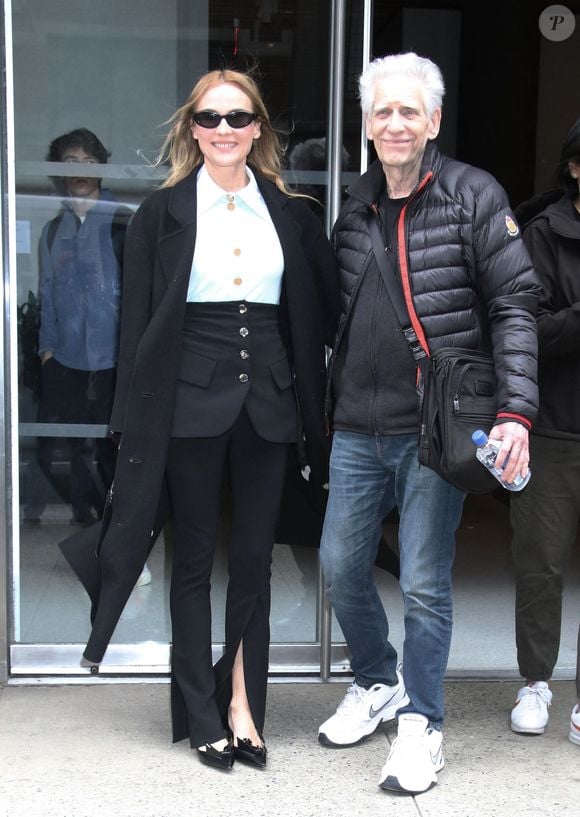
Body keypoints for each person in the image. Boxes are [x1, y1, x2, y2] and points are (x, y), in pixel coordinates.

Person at [73, 69, 338, 771]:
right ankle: (199, 710)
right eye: (211, 117)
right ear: (193, 128)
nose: (225, 130)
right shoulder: (159, 215)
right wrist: (127, 424)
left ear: (258, 130)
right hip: (188, 402)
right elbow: (137, 328)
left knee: (254, 562)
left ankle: (244, 704)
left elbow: (318, 311)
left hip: (270, 402)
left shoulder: (290, 212)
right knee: (191, 562)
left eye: (239, 117)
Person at [318, 52, 539, 795]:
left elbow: (514, 305)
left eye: (409, 109)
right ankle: (377, 677)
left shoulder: (474, 196)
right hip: (356, 426)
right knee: (339, 566)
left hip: (433, 433)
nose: (395, 122)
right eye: (382, 111)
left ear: (434, 120)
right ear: (367, 124)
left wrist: (515, 412)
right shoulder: (354, 205)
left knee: (422, 582)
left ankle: (422, 722)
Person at [508, 118, 580, 742]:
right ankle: (535, 682)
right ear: (575, 169)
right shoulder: (542, 236)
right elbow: (526, 328)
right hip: (555, 426)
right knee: (541, 564)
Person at [35, 129, 130, 526]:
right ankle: (85, 519)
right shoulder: (54, 230)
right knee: (65, 447)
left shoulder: (123, 221)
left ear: (102, 168)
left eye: (89, 163)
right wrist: (47, 351)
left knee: (113, 449)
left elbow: (140, 294)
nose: (79, 171)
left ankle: (114, 527)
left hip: (115, 360)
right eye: (70, 162)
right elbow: (47, 294)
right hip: (67, 358)